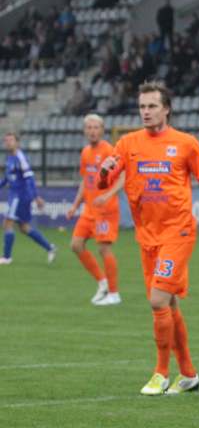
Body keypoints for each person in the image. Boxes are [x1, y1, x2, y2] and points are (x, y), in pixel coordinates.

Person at [98, 82, 199, 395]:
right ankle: (188, 374)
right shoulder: (127, 143)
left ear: (166, 108)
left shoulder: (185, 143)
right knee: (170, 303)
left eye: (152, 106)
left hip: (179, 231)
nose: (146, 112)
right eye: (142, 107)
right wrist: (105, 171)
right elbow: (104, 179)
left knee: (157, 299)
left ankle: (160, 372)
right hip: (147, 235)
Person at [66, 114, 123, 305]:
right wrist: (75, 205)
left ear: (102, 130)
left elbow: (123, 175)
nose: (92, 131)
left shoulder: (109, 150)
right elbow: (85, 180)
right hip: (89, 210)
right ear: (84, 131)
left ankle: (114, 294)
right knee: (76, 245)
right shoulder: (85, 152)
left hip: (106, 209)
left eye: (96, 127)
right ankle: (102, 282)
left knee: (103, 248)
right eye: (89, 127)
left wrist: (108, 194)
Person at [1, 133, 57, 265]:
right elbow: (6, 178)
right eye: (6, 140)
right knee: (24, 227)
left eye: (11, 140)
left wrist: (36, 197)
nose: (8, 142)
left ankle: (6, 257)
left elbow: (29, 178)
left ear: (17, 143)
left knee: (8, 223)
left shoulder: (21, 158)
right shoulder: (9, 158)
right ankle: (50, 247)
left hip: (20, 196)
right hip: (15, 195)